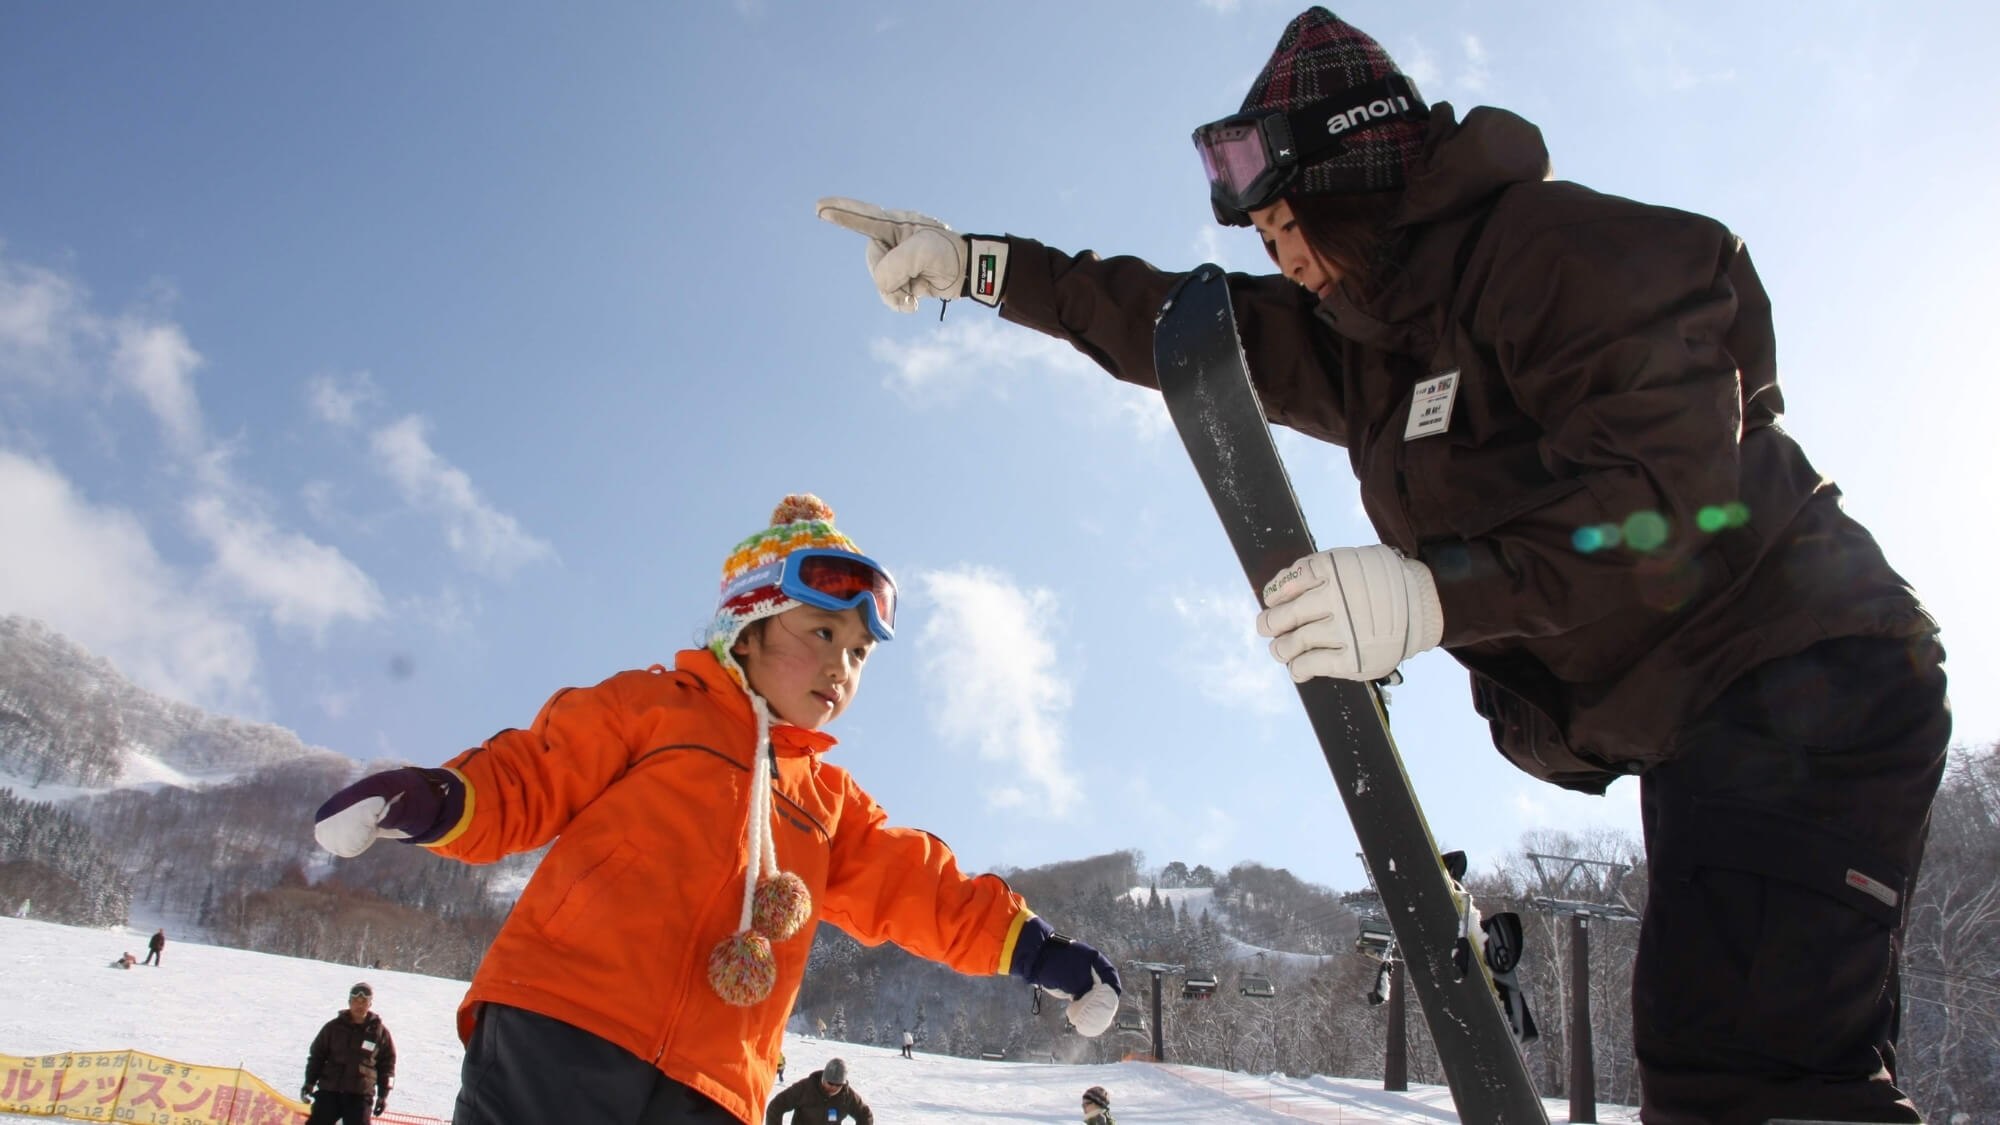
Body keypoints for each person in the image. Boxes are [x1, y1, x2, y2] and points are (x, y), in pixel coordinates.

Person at [816, 10, 1948, 1124]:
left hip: (1803, 671)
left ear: (1354, 176)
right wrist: (979, 266)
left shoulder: (1549, 255)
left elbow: (1669, 499)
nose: (1283, 259)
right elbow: (1168, 323)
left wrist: (1434, 595)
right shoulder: (1363, 347)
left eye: (1288, 224)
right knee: (1743, 1071)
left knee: (1743, 1078)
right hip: (1719, 713)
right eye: (1262, 243)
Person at [310, 496, 1122, 1125]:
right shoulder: (653, 708)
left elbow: (920, 889)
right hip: (562, 1027)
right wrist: (435, 798)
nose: (842, 665)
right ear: (750, 625)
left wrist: (1034, 947)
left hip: (715, 1080)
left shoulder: (829, 802)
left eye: (860, 652)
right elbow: (533, 773)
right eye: (821, 632)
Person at [301, 982, 396, 1125]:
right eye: (355, 1001)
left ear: (370, 1004)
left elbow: (387, 1066)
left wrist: (383, 1095)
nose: (359, 1005)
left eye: (364, 1001)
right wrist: (309, 1082)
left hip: (360, 1095)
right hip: (330, 1091)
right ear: (349, 1002)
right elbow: (316, 1057)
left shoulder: (379, 1033)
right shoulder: (333, 1028)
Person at [764, 1058, 870, 1125]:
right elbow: (776, 1106)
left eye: (838, 1085)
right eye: (830, 1083)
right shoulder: (806, 1087)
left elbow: (865, 1115)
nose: (833, 1087)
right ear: (823, 1079)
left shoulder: (847, 1096)